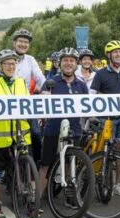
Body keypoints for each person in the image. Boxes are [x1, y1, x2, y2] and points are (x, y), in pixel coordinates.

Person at [0, 49, 31, 218]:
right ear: (0, 66)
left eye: (13, 64)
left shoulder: (21, 83)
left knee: (26, 167)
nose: (11, 67)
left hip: (20, 132)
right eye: (7, 64)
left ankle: (30, 200)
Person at [39, 47, 88, 209]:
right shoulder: (51, 82)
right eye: (65, 60)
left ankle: (69, 196)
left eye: (72, 61)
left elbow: (87, 107)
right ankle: (36, 198)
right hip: (53, 129)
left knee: (70, 163)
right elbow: (40, 104)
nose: (68, 63)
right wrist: (44, 96)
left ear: (77, 64)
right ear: (60, 63)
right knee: (46, 164)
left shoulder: (81, 86)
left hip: (74, 129)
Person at [0, 28, 46, 166]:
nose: (23, 44)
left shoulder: (31, 60)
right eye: (20, 41)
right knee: (7, 139)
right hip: (6, 105)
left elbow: (40, 78)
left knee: (36, 135)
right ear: (14, 43)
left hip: (24, 104)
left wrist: (46, 90)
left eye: (26, 42)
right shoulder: (5, 58)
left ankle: (33, 166)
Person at [90, 40, 120, 197]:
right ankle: (99, 179)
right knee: (103, 150)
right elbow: (92, 96)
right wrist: (92, 115)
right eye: (115, 52)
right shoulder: (101, 74)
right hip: (106, 120)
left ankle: (118, 184)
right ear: (109, 55)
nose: (118, 54)